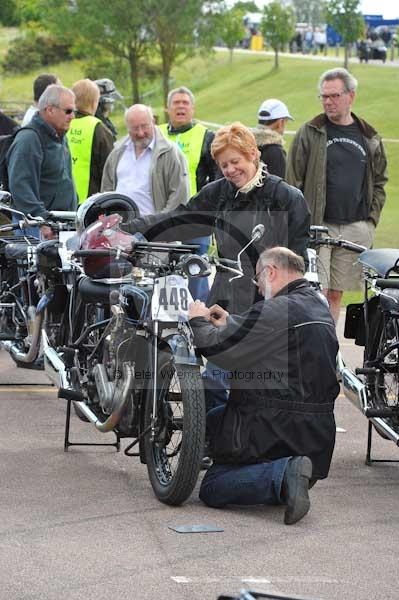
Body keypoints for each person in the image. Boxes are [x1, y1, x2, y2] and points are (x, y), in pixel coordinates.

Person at [126, 122, 310, 410]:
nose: (229, 170)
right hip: (223, 298)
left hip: (267, 306)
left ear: (253, 155)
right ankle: (214, 445)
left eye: (235, 161)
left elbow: (297, 263)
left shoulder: (286, 198)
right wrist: (131, 230)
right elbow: (180, 220)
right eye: (223, 165)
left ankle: (250, 448)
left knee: (257, 388)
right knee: (214, 381)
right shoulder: (218, 193)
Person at [188, 247, 339, 525]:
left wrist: (198, 319)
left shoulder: (275, 309)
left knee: (213, 486)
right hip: (316, 436)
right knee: (211, 420)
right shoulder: (319, 306)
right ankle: (288, 476)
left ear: (271, 271)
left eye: (257, 277)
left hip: (277, 425)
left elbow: (219, 350)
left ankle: (283, 474)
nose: (257, 287)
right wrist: (231, 323)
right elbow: (266, 337)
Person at [286, 68, 388, 323]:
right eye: (323, 96)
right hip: (318, 227)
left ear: (350, 96)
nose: (328, 101)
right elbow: (292, 182)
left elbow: (380, 181)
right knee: (314, 292)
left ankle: (329, 352)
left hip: (355, 226)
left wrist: (370, 220)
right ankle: (314, 349)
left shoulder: (369, 136)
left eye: (334, 96)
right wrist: (298, 223)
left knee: (334, 295)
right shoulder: (310, 132)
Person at [159, 86, 219, 302]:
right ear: (168, 108)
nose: (181, 107)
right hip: (161, 215)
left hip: (194, 219)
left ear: (193, 109)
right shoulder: (156, 134)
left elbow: (217, 178)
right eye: (176, 103)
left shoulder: (206, 136)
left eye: (186, 103)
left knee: (196, 272)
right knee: (160, 273)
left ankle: (199, 323)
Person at [6, 84, 77, 239]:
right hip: (36, 228)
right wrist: (41, 221)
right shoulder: (29, 139)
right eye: (68, 111)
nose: (72, 116)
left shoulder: (59, 136)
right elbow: (20, 187)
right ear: (50, 110)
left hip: (61, 225)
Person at [101, 104, 189, 214]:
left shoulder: (171, 153)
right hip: (120, 228)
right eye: (135, 128)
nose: (140, 133)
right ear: (127, 128)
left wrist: (159, 225)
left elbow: (178, 199)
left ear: (153, 122)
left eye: (144, 126)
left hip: (155, 228)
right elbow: (106, 193)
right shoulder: (117, 153)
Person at [67, 79, 114, 203]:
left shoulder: (62, 123)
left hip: (62, 200)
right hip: (89, 202)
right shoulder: (99, 129)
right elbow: (109, 170)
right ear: (94, 103)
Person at [251, 98, 293, 178]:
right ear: (280, 123)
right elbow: (280, 186)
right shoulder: (276, 152)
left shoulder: (245, 144)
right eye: (286, 121)